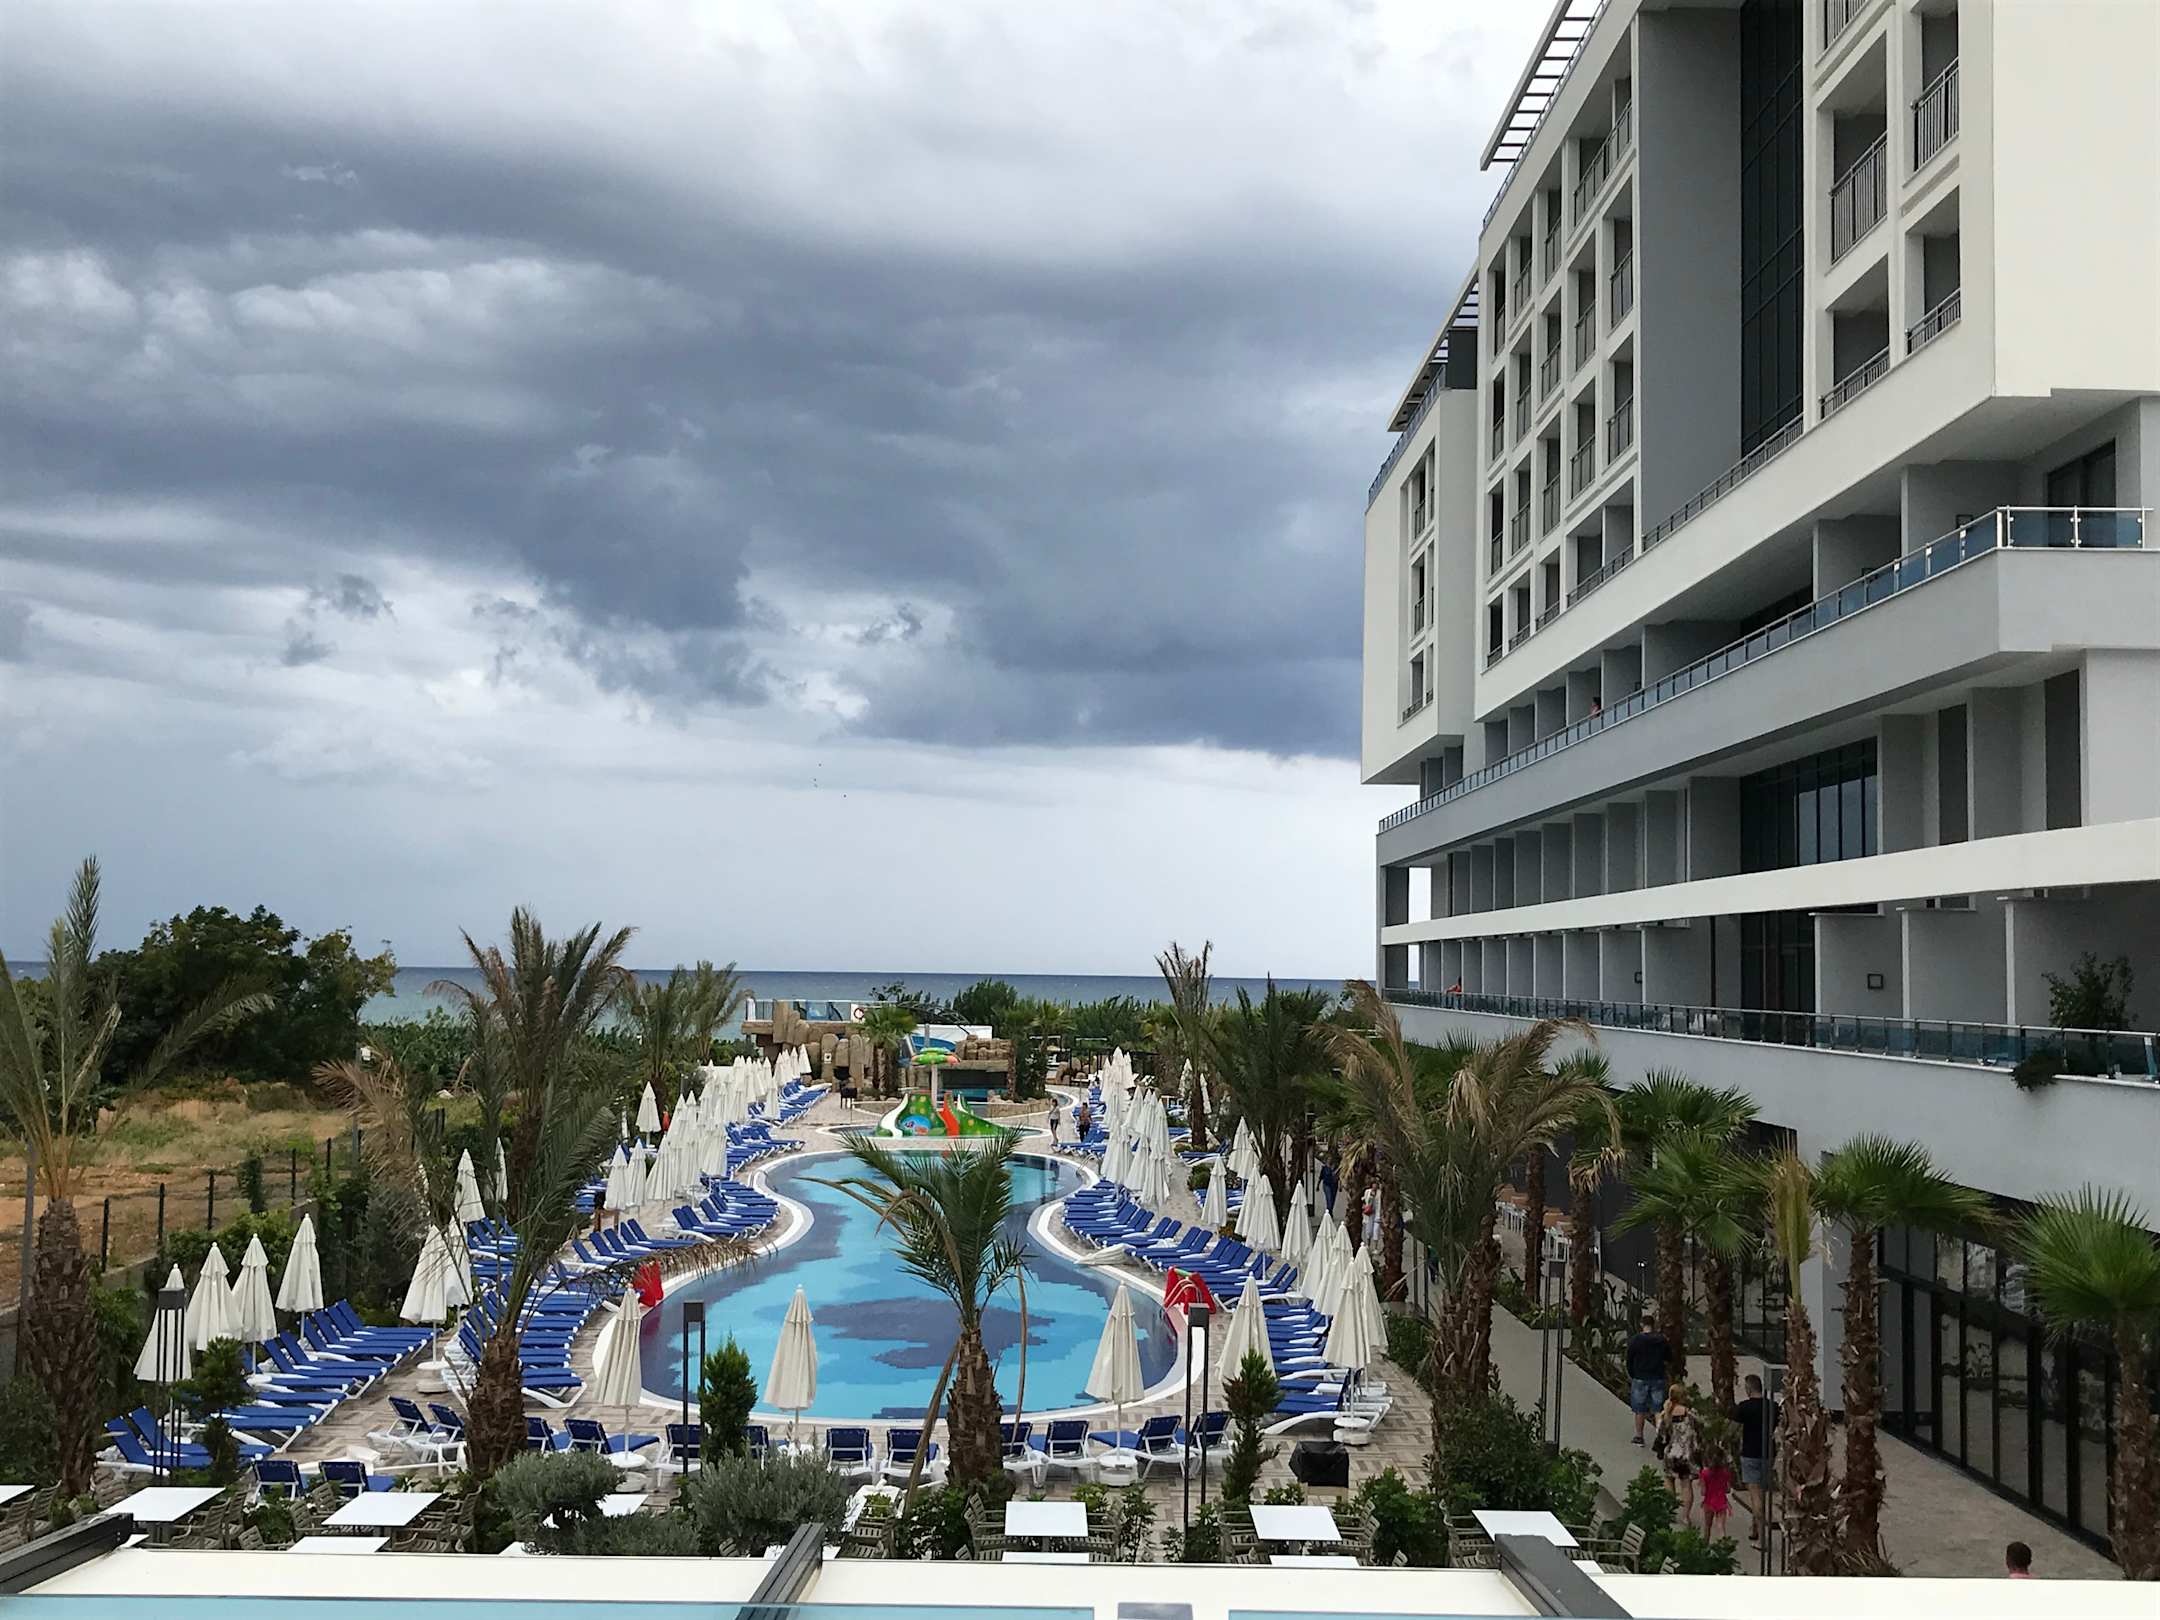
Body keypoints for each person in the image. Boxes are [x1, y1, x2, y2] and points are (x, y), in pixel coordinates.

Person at [1731, 1373, 1774, 1541]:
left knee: (1755, 1495)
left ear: (1748, 1389)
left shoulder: (1744, 1407)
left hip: (1749, 1453)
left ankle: (1762, 1536)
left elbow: (1732, 1430)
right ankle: (1754, 1527)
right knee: (1761, 1492)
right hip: (1768, 1452)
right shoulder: (1772, 1406)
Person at [1655, 1387, 1702, 1528]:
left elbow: (1661, 1434)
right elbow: (1701, 1428)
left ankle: (1670, 1510)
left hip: (1671, 1453)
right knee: (1686, 1485)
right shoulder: (1690, 1414)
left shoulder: (1666, 1414)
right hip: (1686, 1455)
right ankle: (1686, 1516)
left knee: (1669, 1479)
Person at [1626, 1311, 1672, 1445]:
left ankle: (1639, 1436)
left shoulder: (1636, 1340)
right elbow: (1669, 1357)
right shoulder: (1661, 1340)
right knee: (1658, 1409)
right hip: (1658, 1377)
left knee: (1639, 1409)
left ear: (1642, 1324)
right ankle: (1660, 1436)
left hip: (1640, 1377)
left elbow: (1629, 1359)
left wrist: (1632, 1374)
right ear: (1654, 1325)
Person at [1698, 1419, 1733, 1541]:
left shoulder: (1704, 1473)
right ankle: (1723, 1545)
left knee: (1707, 1526)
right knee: (1721, 1526)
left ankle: (1705, 1544)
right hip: (1721, 1502)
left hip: (1709, 1502)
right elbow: (1728, 1489)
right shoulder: (1725, 1473)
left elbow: (1703, 1491)